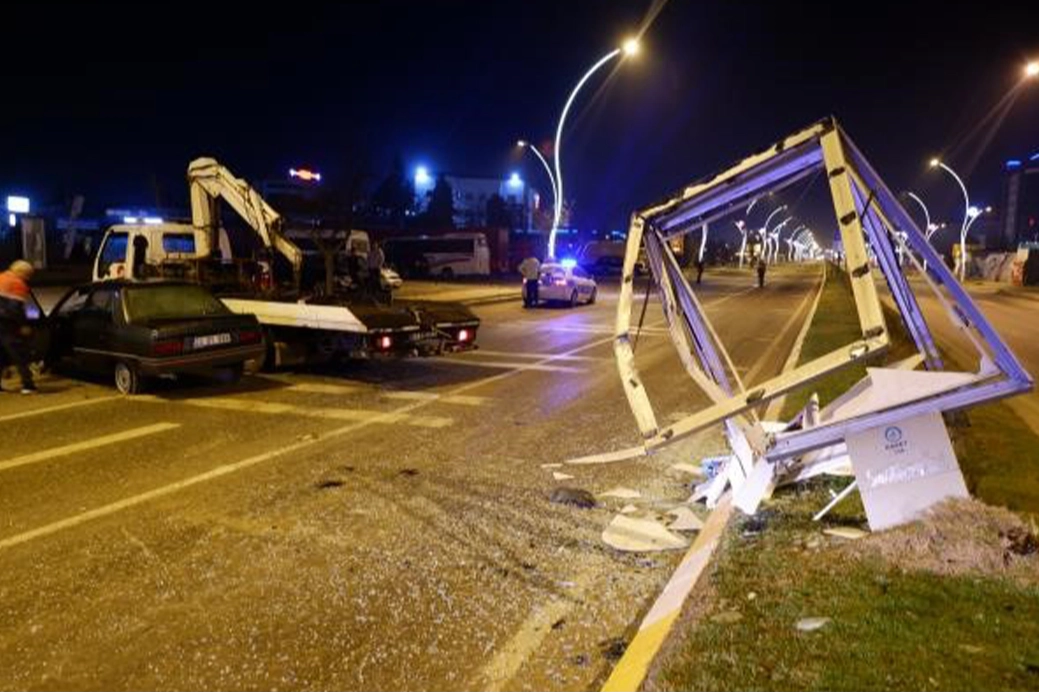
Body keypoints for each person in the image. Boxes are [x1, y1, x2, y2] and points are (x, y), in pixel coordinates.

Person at [0, 260, 37, 394]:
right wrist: (23, 325)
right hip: (7, 324)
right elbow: (16, 308)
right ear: (21, 272)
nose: (28, 278)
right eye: (28, 275)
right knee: (19, 354)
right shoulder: (18, 284)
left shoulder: (1, 277)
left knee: (1, 353)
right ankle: (28, 385)